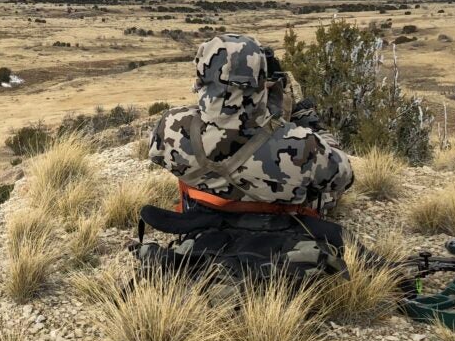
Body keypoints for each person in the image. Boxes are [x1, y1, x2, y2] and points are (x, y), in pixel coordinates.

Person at [149, 33, 353, 217]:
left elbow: (159, 152)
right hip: (278, 237)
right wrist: (306, 119)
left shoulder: (170, 125)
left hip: (202, 226)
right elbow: (344, 176)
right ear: (261, 81)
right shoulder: (302, 144)